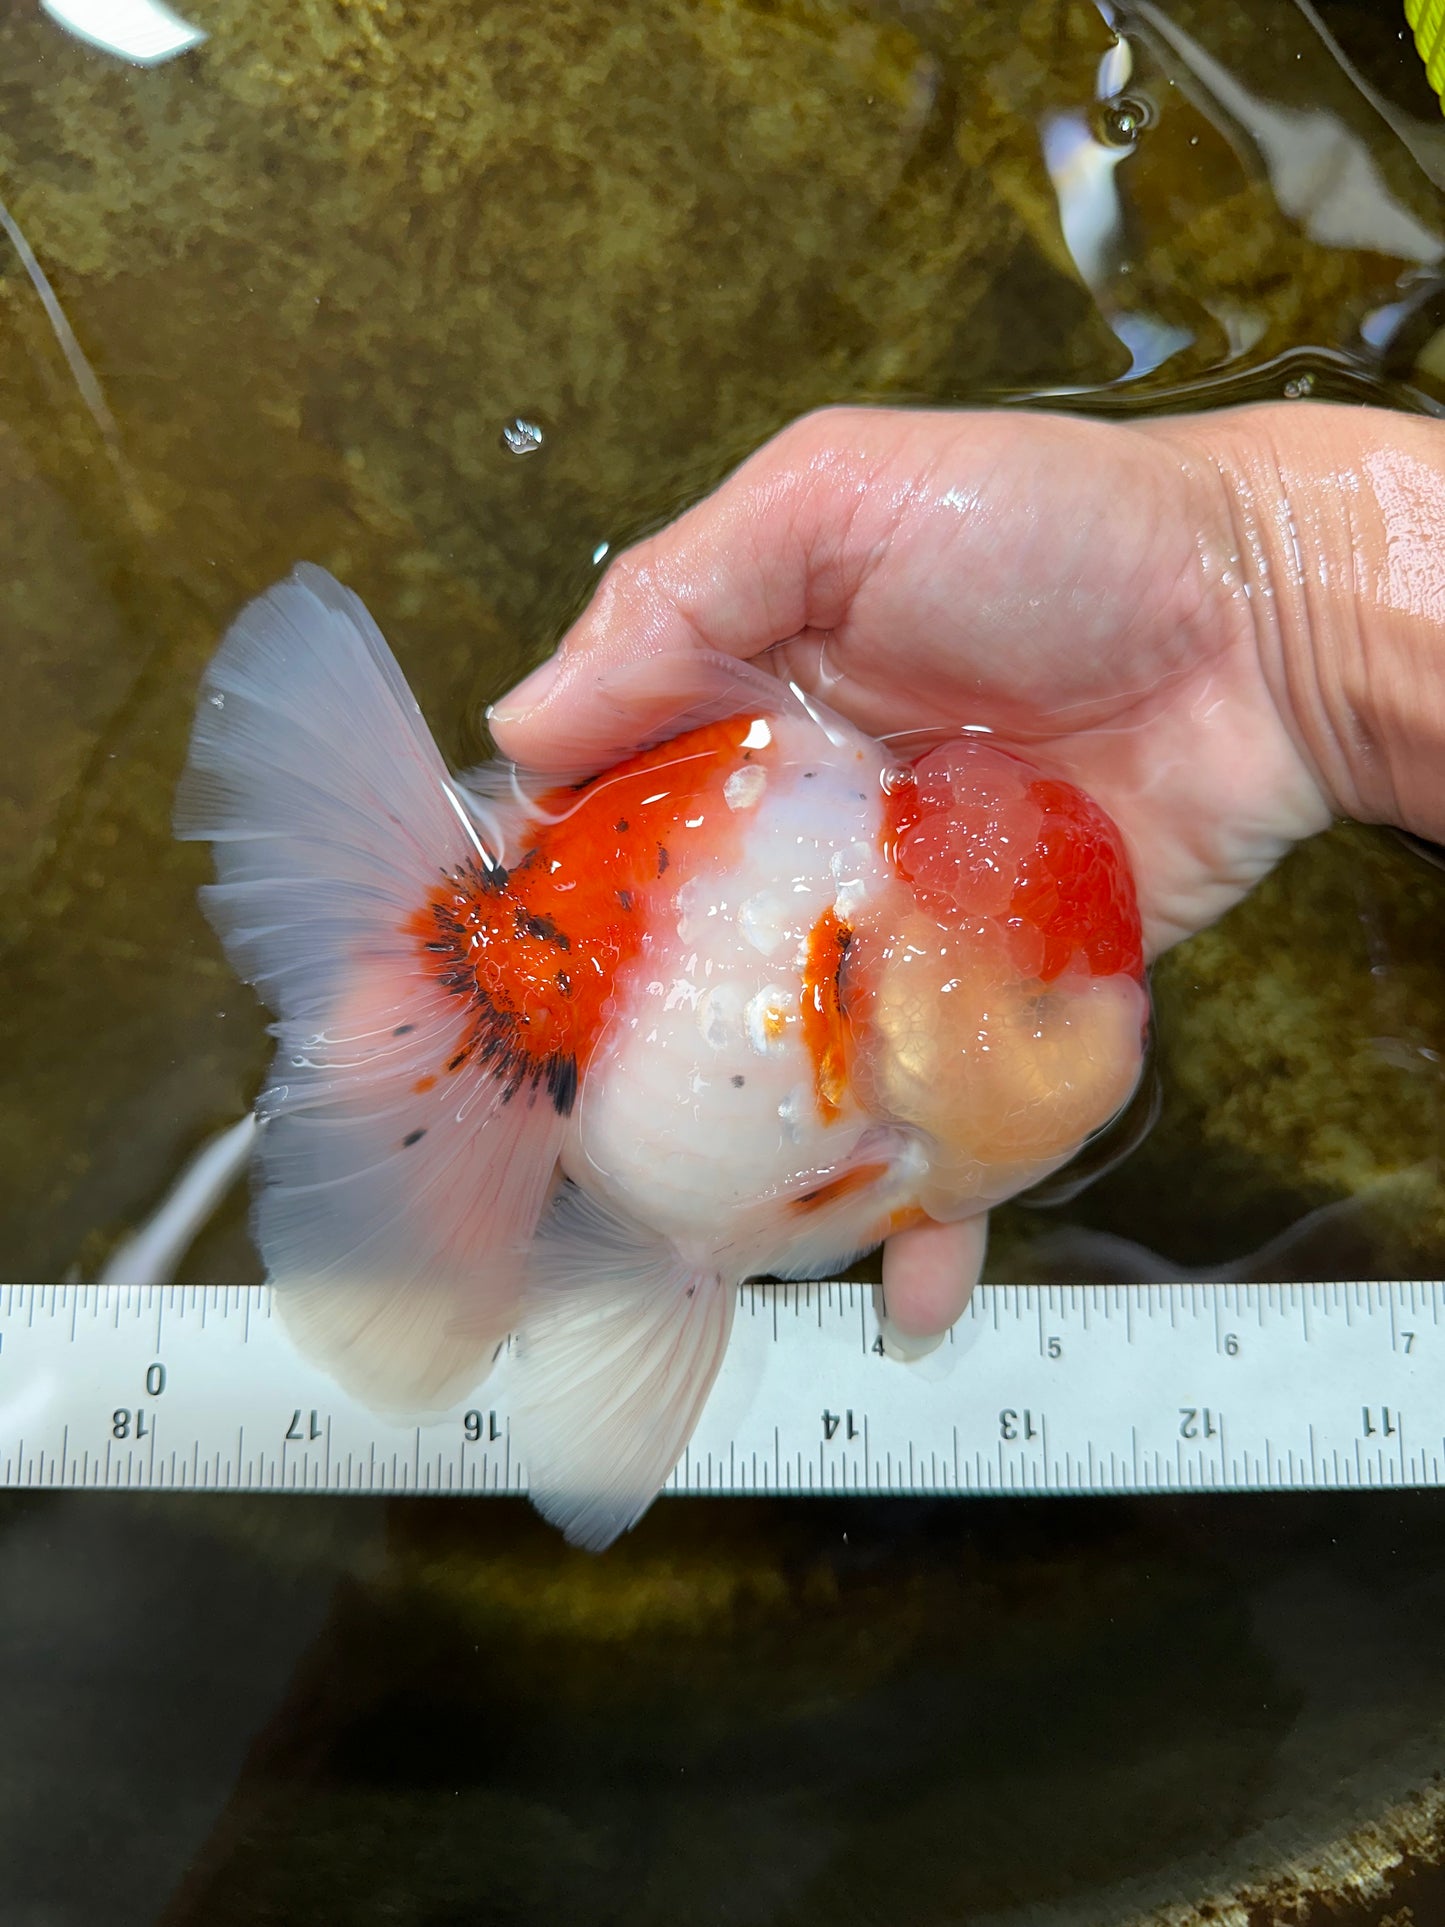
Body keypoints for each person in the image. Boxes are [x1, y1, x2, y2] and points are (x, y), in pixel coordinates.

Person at [487, 402, 1445, 1346]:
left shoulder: (912, 1077)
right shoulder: (896, 1095)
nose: (1129, 1014)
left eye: (1043, 1001)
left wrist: (1269, 587)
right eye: (1039, 1003)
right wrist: (1271, 596)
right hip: (576, 994)